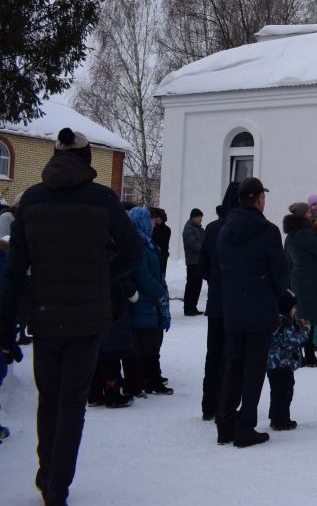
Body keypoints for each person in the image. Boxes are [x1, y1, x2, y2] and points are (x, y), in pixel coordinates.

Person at [0, 128, 141, 506]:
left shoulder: (31, 199)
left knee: (50, 399)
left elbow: (14, 269)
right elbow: (133, 252)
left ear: (55, 154)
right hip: (87, 318)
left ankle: (48, 476)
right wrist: (103, 274)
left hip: (45, 316)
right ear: (85, 157)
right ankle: (57, 485)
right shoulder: (102, 200)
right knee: (72, 402)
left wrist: (5, 325)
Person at [217, 177, 293, 448]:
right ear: (259, 198)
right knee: (253, 369)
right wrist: (280, 298)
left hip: (233, 308)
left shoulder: (225, 229)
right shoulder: (267, 230)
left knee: (232, 366)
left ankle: (224, 424)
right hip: (260, 309)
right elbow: (279, 274)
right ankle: (245, 427)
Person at [199, 183, 239, 421]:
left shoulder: (212, 228)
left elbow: (202, 264)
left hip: (215, 299)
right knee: (231, 354)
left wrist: (214, 281)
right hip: (235, 300)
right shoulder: (237, 228)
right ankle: (225, 404)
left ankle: (208, 405)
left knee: (213, 354)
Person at [125, 206, 173, 396]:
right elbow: (142, 274)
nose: (153, 223)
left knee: (152, 340)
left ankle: (152, 378)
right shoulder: (137, 243)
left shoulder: (146, 241)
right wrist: (159, 292)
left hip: (149, 301)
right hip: (144, 300)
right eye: (148, 219)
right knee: (144, 342)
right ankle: (144, 379)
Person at [283, 202, 317, 368]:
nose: (311, 215)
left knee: (302, 318)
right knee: (309, 318)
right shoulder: (306, 234)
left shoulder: (290, 236)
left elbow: (287, 260)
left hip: (298, 279)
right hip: (310, 281)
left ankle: (302, 354)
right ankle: (309, 356)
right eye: (308, 213)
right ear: (303, 215)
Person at [266, 312, 309, 431]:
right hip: (281, 363)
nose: (296, 310)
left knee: (277, 392)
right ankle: (280, 421)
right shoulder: (284, 323)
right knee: (284, 393)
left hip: (274, 363)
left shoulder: (277, 320)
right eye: (293, 307)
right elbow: (290, 341)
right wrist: (305, 330)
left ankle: (277, 418)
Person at [182, 208, 206, 316]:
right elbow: (195, 245)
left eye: (201, 217)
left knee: (197, 285)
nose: (201, 219)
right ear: (193, 217)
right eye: (199, 217)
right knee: (191, 285)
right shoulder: (188, 229)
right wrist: (206, 249)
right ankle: (188, 308)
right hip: (192, 262)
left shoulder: (200, 229)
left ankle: (193, 306)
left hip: (199, 262)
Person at [150, 208, 171, 278]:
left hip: (162, 255)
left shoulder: (166, 229)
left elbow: (162, 243)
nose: (155, 219)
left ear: (161, 218)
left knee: (160, 275)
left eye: (157, 217)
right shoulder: (151, 227)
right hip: (153, 254)